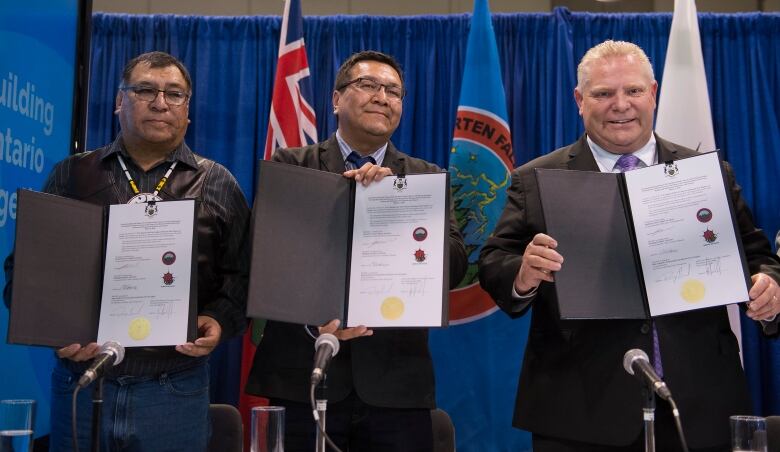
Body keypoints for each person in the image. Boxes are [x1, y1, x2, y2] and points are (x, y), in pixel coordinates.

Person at [478, 40, 780, 452]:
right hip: (579, 409)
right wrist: (524, 273)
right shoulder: (536, 178)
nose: (621, 105)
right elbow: (494, 262)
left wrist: (769, 286)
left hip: (698, 402)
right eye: (603, 93)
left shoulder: (706, 173)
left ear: (652, 93)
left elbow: (758, 255)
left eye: (633, 91)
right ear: (579, 101)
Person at [4, 51, 250, 451]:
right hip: (83, 382)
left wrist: (219, 319)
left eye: (174, 94)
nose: (160, 102)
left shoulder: (217, 181)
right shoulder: (73, 173)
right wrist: (56, 331)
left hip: (175, 388)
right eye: (145, 90)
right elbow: (27, 271)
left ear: (188, 110)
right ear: (120, 101)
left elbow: (244, 275)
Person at [246, 50, 468, 451]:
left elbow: (452, 267)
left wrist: (391, 205)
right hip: (304, 376)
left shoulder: (426, 178)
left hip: (397, 388)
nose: (383, 97)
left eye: (394, 91)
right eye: (368, 85)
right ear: (335, 99)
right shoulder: (293, 165)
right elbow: (266, 257)